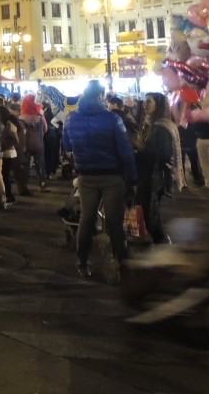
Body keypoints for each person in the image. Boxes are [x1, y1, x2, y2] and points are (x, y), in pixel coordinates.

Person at [62, 80, 137, 278]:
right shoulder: (112, 119)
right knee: (114, 221)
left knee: (87, 219)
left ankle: (82, 262)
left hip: (86, 175)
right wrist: (132, 179)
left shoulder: (72, 119)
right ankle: (122, 263)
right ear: (101, 96)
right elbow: (125, 151)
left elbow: (67, 145)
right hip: (111, 175)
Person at [136, 93, 177, 243]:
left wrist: (141, 149)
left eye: (149, 102)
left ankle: (162, 241)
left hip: (155, 175)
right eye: (144, 102)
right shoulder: (151, 124)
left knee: (150, 211)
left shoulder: (161, 127)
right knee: (149, 210)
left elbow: (165, 154)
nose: (144, 105)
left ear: (157, 105)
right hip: (148, 174)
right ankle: (159, 240)